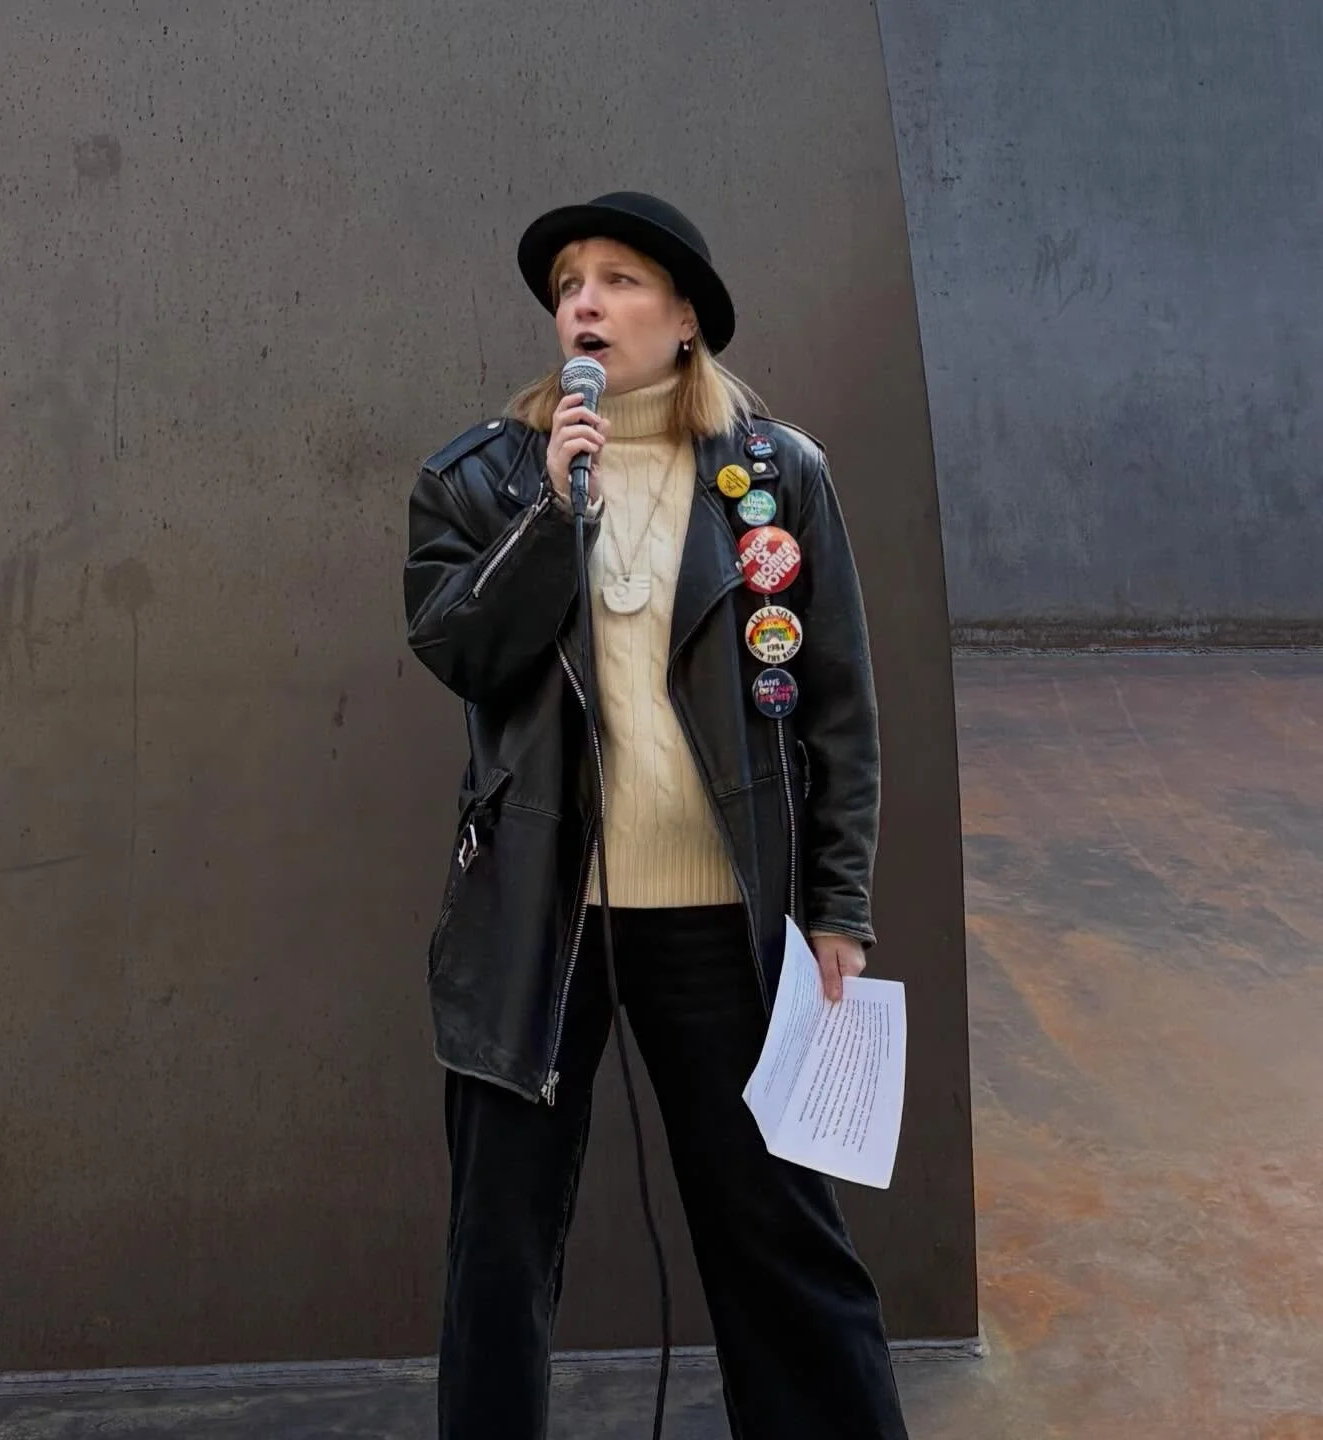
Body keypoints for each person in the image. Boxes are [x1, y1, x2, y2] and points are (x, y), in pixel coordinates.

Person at [403, 191, 909, 1440]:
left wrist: (836, 908)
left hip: (720, 919)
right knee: (498, 1254)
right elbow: (458, 647)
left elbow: (837, 706)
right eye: (570, 281)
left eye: (621, 278)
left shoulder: (778, 477)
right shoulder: (481, 478)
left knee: (777, 1238)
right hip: (540, 917)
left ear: (684, 320)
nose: (585, 300)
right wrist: (552, 510)